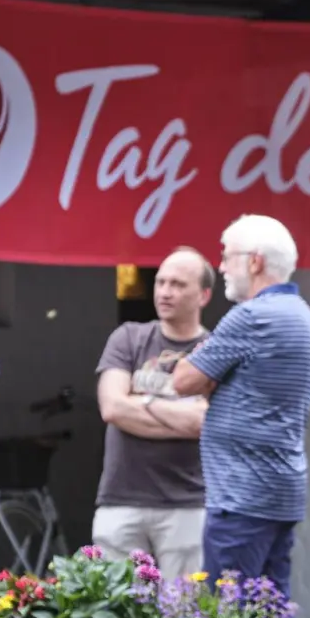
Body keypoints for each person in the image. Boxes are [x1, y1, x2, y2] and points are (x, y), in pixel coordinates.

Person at [173, 215, 310, 618]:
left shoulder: (252, 315)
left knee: (223, 615)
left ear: (254, 262)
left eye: (227, 253)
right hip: (280, 488)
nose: (222, 264)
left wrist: (204, 370)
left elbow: (185, 379)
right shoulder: (301, 315)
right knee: (272, 613)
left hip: (242, 494)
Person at [93, 247, 214, 580]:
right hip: (121, 499)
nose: (165, 292)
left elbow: (204, 423)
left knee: (185, 616)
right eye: (161, 282)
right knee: (113, 615)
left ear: (203, 295)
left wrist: (142, 402)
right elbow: (112, 407)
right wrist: (176, 414)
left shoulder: (215, 350)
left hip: (188, 504)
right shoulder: (128, 338)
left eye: (177, 284)